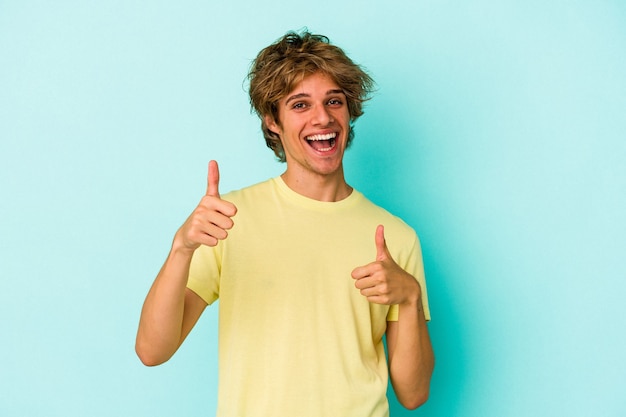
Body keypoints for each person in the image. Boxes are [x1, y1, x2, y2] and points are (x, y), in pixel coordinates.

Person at [135, 30, 434, 416]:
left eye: (334, 101)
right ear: (272, 121)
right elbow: (152, 351)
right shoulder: (228, 220)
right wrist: (182, 248)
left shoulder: (395, 236)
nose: (322, 117)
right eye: (300, 105)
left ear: (350, 111)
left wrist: (409, 297)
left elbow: (413, 394)